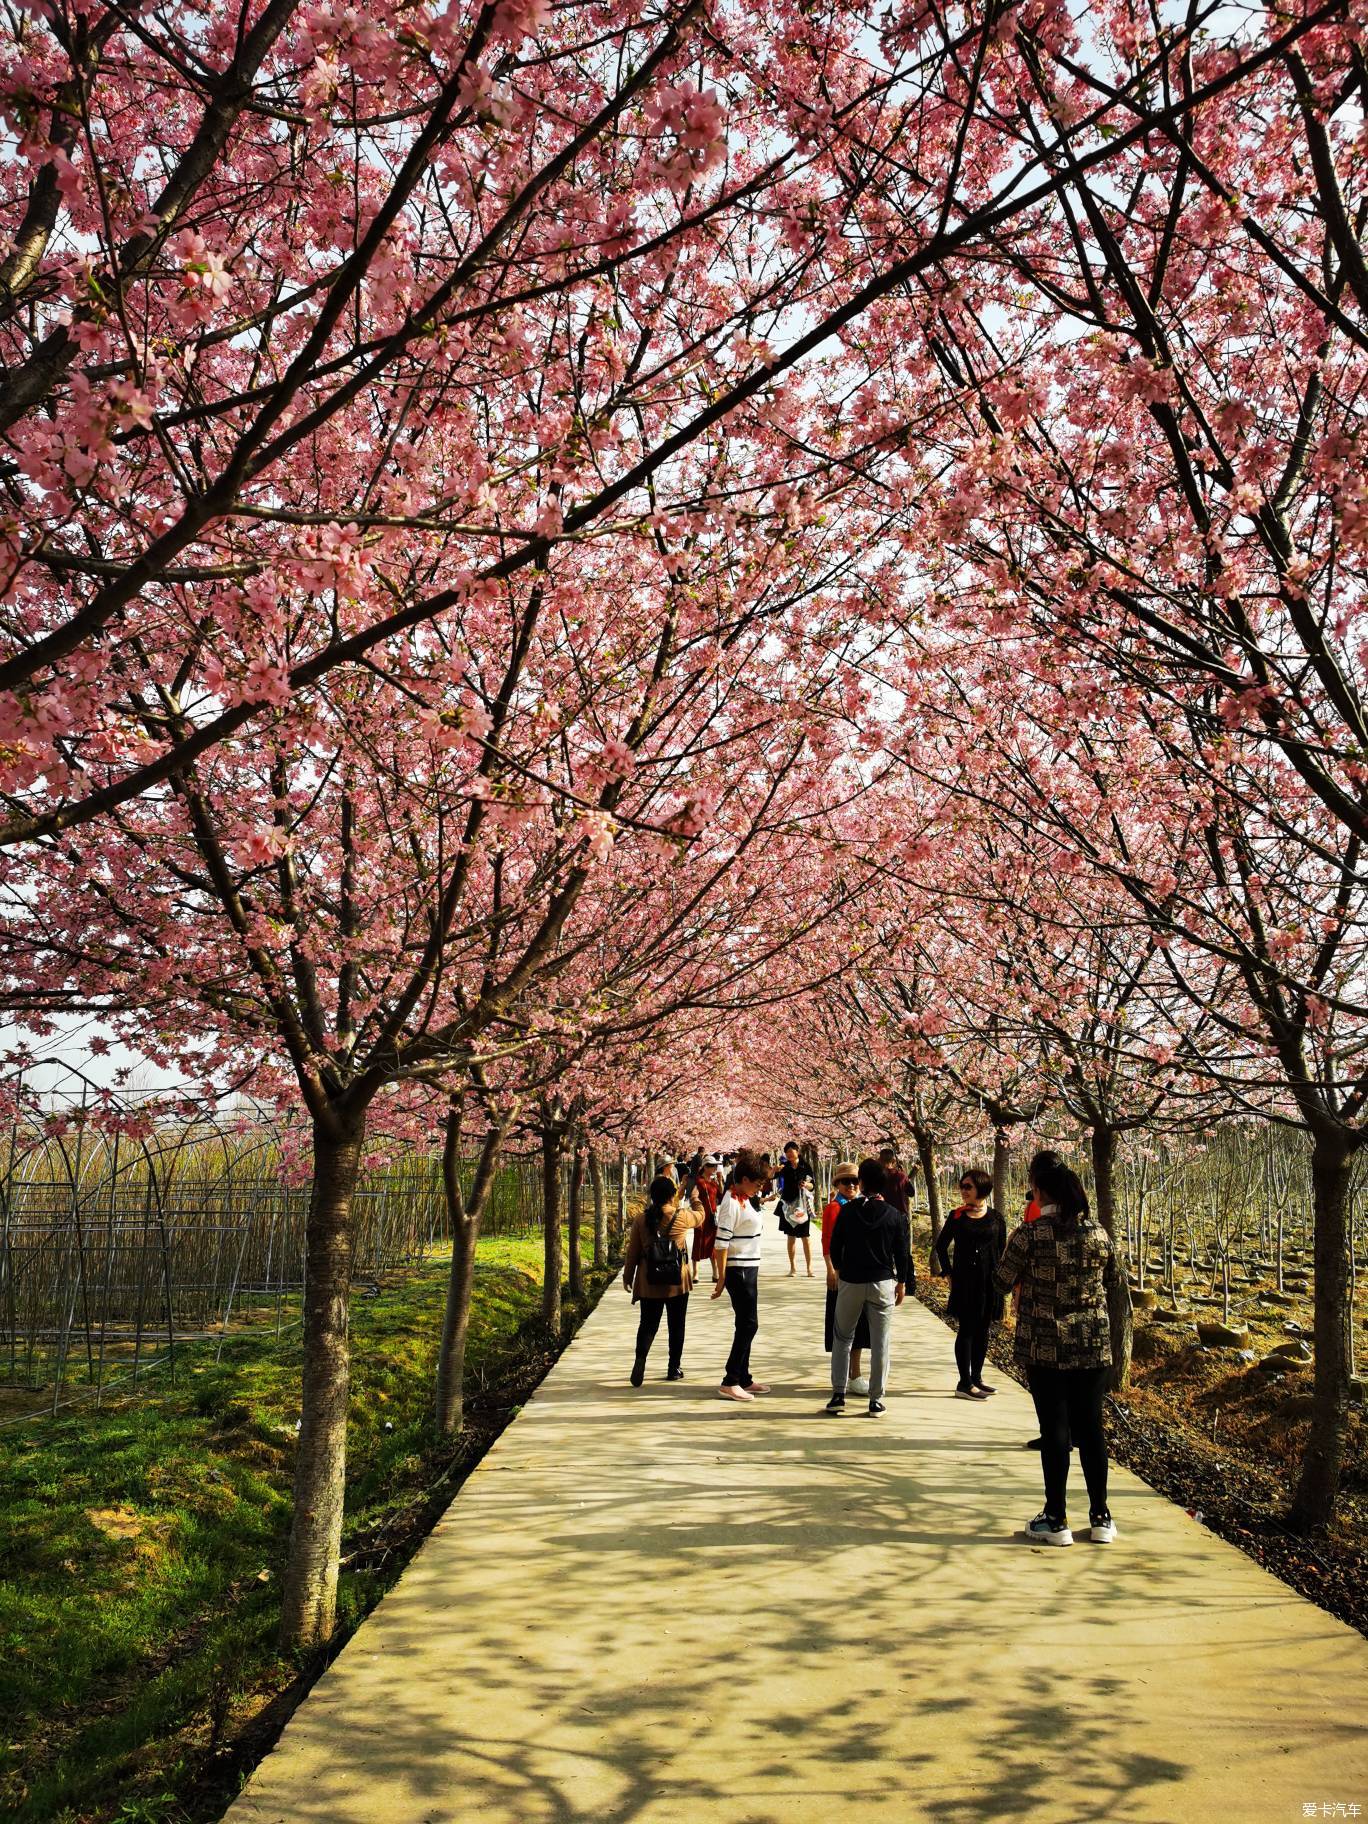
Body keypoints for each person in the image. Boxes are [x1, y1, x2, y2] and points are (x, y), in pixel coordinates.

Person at [995, 1150, 1121, 1547]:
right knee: (1091, 1429)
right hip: (1092, 1345)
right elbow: (1114, 1280)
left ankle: (1055, 1517)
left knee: (1055, 1431)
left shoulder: (1029, 1235)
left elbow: (999, 1281)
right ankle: (1101, 1517)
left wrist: (1025, 1287)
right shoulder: (1098, 1233)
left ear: (1038, 1190)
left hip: (1044, 1345)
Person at [823, 1158, 912, 1418]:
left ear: (861, 1182)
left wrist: (839, 1269)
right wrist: (902, 1281)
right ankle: (876, 1400)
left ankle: (838, 1394)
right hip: (882, 1282)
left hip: (850, 1281)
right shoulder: (895, 1215)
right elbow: (902, 1253)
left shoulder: (848, 1211)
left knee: (843, 1337)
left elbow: (836, 1245)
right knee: (881, 1342)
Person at [933, 1168, 1007, 1400]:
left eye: (968, 1187)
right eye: (962, 1186)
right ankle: (964, 1382)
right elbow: (941, 1246)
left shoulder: (996, 1218)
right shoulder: (957, 1216)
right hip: (965, 1282)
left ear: (981, 1189)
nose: (963, 1190)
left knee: (983, 1330)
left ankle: (977, 1377)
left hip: (989, 1281)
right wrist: (948, 1272)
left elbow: (1002, 1249)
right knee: (966, 1329)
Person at [622, 1173, 697, 1384]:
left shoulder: (641, 1219)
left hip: (649, 1282)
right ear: (672, 1196)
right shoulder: (681, 1216)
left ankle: (640, 1360)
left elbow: (633, 1252)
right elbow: (701, 1215)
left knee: (647, 1324)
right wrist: (694, 1194)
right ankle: (674, 1368)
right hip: (677, 1282)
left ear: (652, 1196)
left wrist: (628, 1277)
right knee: (677, 1325)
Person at [712, 1149, 771, 1402]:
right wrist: (722, 1277)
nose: (759, 1189)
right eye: (757, 1184)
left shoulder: (745, 1199)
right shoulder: (731, 1202)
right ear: (744, 1179)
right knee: (749, 1324)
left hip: (749, 1266)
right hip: (738, 1269)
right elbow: (721, 1243)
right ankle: (731, 1380)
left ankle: (743, 1377)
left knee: (745, 1322)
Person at [822, 1162, 871, 1393]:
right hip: (842, 1274)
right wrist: (831, 1269)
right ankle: (846, 1376)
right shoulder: (834, 1208)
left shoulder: (863, 1205)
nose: (850, 1185)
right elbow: (827, 1241)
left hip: (860, 1273)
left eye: (854, 1181)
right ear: (837, 1185)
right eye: (845, 1182)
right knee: (843, 1327)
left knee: (859, 1325)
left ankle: (855, 1372)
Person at [775, 1139, 815, 1277]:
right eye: (787, 1153)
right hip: (788, 1205)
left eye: (791, 1152)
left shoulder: (805, 1166)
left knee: (805, 1237)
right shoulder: (784, 1167)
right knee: (791, 1237)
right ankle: (793, 1268)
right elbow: (768, 1177)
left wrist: (806, 1185)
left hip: (802, 1205)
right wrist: (774, 1170)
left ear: (797, 1152)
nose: (789, 1155)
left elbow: (812, 1185)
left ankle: (809, 1268)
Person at [690, 1155, 723, 1282]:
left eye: (715, 1166)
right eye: (712, 1166)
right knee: (698, 1242)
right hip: (701, 1216)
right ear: (705, 1167)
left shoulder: (713, 1182)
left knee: (712, 1244)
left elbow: (721, 1195)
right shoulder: (698, 1181)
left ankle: (715, 1272)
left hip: (712, 1217)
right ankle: (696, 1273)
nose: (715, 1168)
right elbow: (693, 1196)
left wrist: (720, 1181)